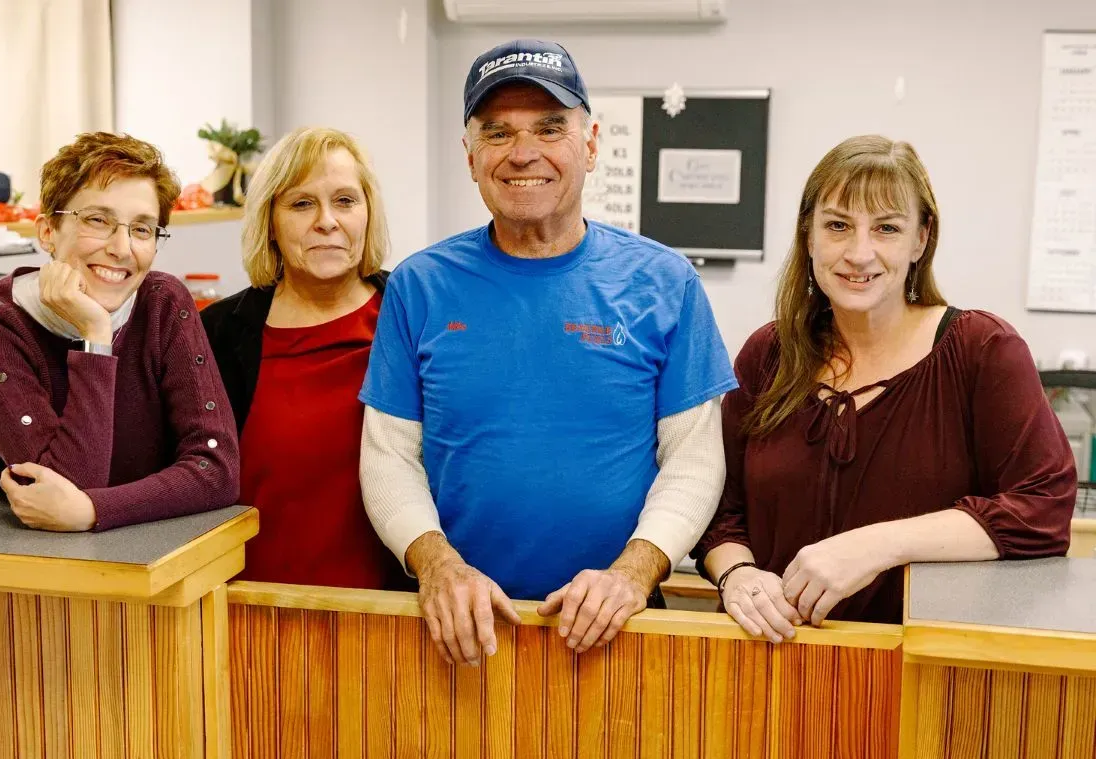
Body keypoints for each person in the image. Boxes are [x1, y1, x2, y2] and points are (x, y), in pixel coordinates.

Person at [359, 39, 736, 666]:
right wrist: (437, 566)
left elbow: (694, 461)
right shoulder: (418, 286)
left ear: (590, 145)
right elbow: (388, 457)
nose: (523, 153)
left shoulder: (665, 283)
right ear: (470, 155)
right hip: (456, 629)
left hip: (621, 627)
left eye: (549, 128)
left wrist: (631, 575)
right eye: (498, 132)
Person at [693, 135, 1075, 639]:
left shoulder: (982, 350)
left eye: (887, 228)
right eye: (838, 226)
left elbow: (1041, 509)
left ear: (920, 240)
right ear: (809, 237)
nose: (859, 253)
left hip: (918, 671)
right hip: (770, 658)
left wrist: (875, 546)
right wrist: (737, 575)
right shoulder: (768, 353)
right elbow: (721, 510)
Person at [0, 132, 239, 530]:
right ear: (48, 231)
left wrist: (93, 511)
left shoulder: (165, 301)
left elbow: (217, 469)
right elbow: (62, 487)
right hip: (18, 551)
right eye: (98, 221)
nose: (122, 248)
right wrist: (96, 337)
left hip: (140, 540)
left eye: (141, 229)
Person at [202, 127, 407, 589]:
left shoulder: (413, 316)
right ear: (270, 221)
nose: (327, 221)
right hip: (245, 608)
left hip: (391, 619)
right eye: (301, 204)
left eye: (345, 201)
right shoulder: (215, 333)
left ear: (368, 215)